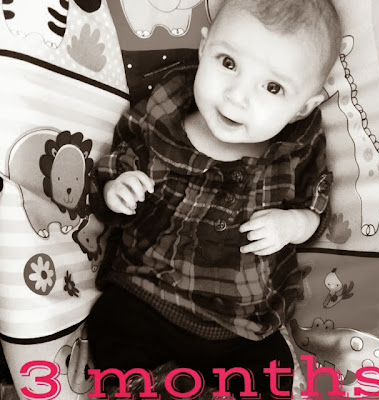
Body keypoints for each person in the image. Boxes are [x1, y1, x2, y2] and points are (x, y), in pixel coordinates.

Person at [88, 0, 341, 398]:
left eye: (273, 88)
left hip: (240, 327)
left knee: (273, 368)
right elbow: (119, 160)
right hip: (147, 294)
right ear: (204, 48)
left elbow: (315, 207)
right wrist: (116, 188)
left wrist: (293, 225)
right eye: (228, 63)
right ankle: (154, 388)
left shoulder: (295, 152)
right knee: (109, 324)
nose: (237, 96)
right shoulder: (164, 115)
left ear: (303, 107)